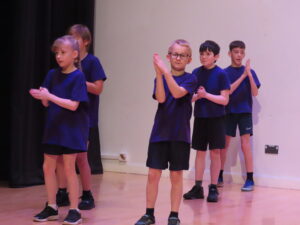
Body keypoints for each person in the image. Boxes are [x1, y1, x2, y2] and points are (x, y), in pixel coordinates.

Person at [134, 39, 197, 225]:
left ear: (189, 59)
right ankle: (149, 214)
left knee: (176, 175)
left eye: (182, 55)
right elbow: (161, 98)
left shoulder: (190, 78)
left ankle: (174, 215)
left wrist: (163, 72)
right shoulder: (159, 78)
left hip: (180, 135)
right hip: (159, 133)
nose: (178, 58)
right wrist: (159, 74)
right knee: (153, 174)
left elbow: (177, 93)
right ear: (169, 56)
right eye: (175, 54)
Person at [30, 35, 88, 224]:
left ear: (75, 54)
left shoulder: (78, 76)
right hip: (53, 128)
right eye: (57, 53)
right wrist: (42, 96)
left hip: (71, 130)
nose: (59, 56)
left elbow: (73, 105)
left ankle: (74, 209)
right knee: (48, 166)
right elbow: (47, 103)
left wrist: (50, 96)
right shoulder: (51, 74)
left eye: (63, 53)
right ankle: (52, 206)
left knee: (70, 168)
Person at [55, 24, 107, 210]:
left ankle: (87, 194)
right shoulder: (66, 62)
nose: (71, 41)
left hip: (85, 117)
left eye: (76, 38)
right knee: (61, 157)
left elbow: (98, 88)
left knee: (81, 157)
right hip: (66, 116)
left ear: (86, 42)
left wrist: (78, 80)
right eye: (69, 37)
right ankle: (62, 192)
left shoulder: (93, 62)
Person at [183, 40, 230, 203]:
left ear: (216, 56)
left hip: (217, 119)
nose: (204, 57)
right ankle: (197, 187)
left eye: (208, 54)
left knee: (215, 152)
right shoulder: (195, 72)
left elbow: (224, 100)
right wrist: (197, 96)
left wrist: (206, 95)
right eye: (202, 54)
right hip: (200, 118)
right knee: (199, 152)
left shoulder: (221, 74)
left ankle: (213, 187)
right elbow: (190, 97)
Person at [218, 40, 261, 191]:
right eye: (236, 52)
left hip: (244, 113)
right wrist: (243, 76)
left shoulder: (250, 71)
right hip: (228, 112)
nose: (239, 55)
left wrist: (248, 75)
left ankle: (250, 179)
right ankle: (219, 175)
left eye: (242, 52)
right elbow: (228, 91)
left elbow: (255, 92)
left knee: (245, 145)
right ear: (230, 54)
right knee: (224, 145)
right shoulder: (224, 73)